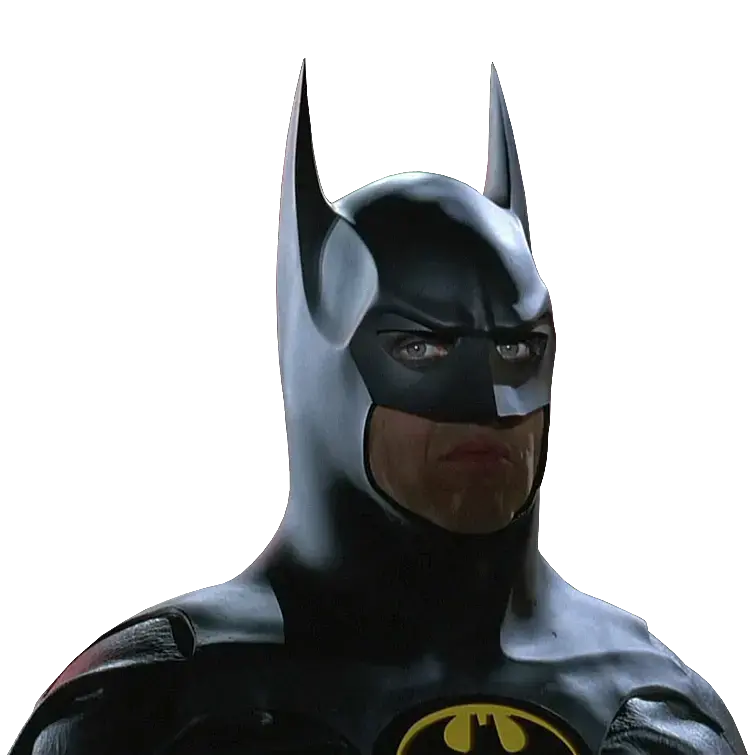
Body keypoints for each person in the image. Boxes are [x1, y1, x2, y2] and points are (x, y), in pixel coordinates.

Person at [13, 63, 745, 755]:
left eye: (515, 349)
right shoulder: (157, 703)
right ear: (323, 367)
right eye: (421, 348)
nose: (489, 405)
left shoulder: (651, 709)